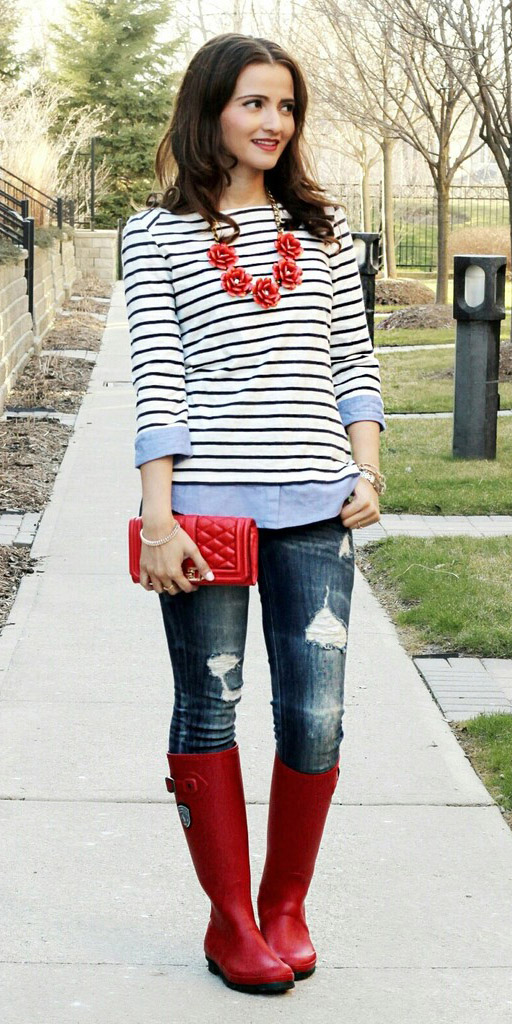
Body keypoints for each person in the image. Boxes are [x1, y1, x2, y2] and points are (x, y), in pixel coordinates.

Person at [121, 32, 386, 996]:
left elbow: (353, 365)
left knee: (316, 716)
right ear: (211, 111)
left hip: (318, 510)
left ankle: (285, 905)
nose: (273, 122)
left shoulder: (323, 229)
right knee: (210, 704)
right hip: (208, 521)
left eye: (286, 107)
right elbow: (160, 384)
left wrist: (369, 468)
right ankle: (231, 922)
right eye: (254, 104)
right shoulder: (156, 236)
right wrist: (159, 522)